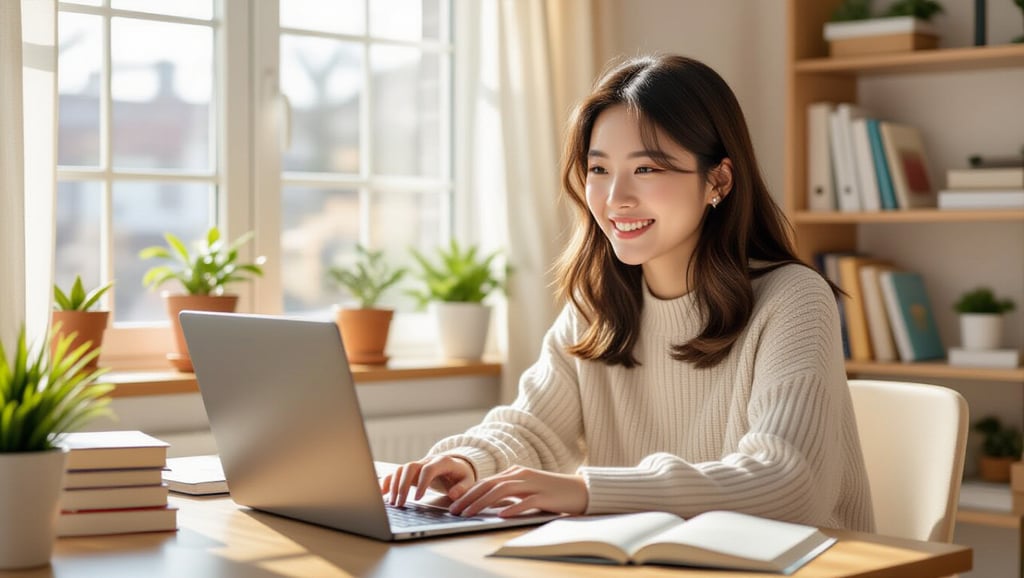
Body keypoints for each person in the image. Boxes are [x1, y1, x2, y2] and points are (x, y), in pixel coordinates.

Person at [382, 54, 875, 532]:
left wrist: (588, 492)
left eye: (647, 169)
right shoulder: (598, 305)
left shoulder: (793, 299)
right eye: (599, 169)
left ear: (717, 180)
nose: (616, 197)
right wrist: (469, 461)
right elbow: (533, 428)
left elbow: (789, 482)